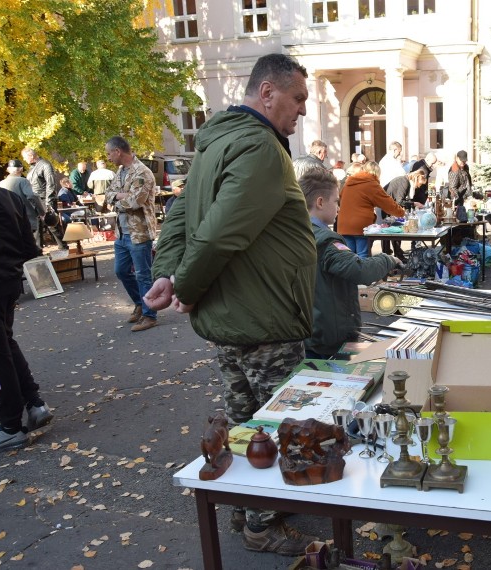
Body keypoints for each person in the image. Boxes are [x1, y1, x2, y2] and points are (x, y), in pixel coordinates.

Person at [143, 52, 318, 556]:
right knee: (276, 425)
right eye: (298, 98)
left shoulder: (215, 140)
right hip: (263, 318)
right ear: (268, 93)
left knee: (244, 423)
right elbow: (219, 234)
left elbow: (180, 217)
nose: (302, 110)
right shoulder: (261, 148)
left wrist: (168, 275)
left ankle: (245, 507)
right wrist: (185, 286)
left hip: (233, 319)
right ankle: (263, 523)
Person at [0, 168, 53, 453]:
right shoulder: (9, 198)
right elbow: (29, 246)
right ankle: (34, 402)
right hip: (8, 280)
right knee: (5, 345)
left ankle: (11, 426)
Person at [301, 168, 399, 358]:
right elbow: (359, 270)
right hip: (329, 338)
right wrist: (387, 259)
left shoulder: (294, 232)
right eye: (336, 202)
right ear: (320, 202)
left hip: (308, 332)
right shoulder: (326, 241)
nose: (339, 208)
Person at [104, 136, 158, 333]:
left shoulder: (142, 172)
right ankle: (139, 303)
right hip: (121, 233)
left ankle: (150, 315)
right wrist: (120, 196)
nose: (108, 157)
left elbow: (136, 202)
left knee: (143, 274)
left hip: (139, 233)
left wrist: (117, 199)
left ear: (118, 151)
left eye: (109, 153)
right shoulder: (120, 172)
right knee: (121, 271)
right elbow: (107, 194)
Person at [336, 162, 405, 258]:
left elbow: (340, 199)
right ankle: (363, 273)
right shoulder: (371, 184)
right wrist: (402, 212)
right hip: (360, 226)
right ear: (377, 173)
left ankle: (350, 274)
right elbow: (388, 204)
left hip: (343, 225)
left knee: (348, 257)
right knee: (362, 256)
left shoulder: (349, 182)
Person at [381, 169, 427, 261]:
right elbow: (400, 201)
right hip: (387, 208)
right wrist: (414, 203)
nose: (418, 186)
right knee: (392, 231)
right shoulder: (404, 182)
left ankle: (395, 255)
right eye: (419, 183)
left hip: (388, 207)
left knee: (392, 231)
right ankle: (389, 257)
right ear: (416, 178)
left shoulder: (405, 180)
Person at [0, 159, 45, 245]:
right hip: (26, 218)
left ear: (8, 170)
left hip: (8, 220)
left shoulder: (1, 184)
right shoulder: (23, 181)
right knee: (30, 245)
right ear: (21, 169)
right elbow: (32, 196)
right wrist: (41, 212)